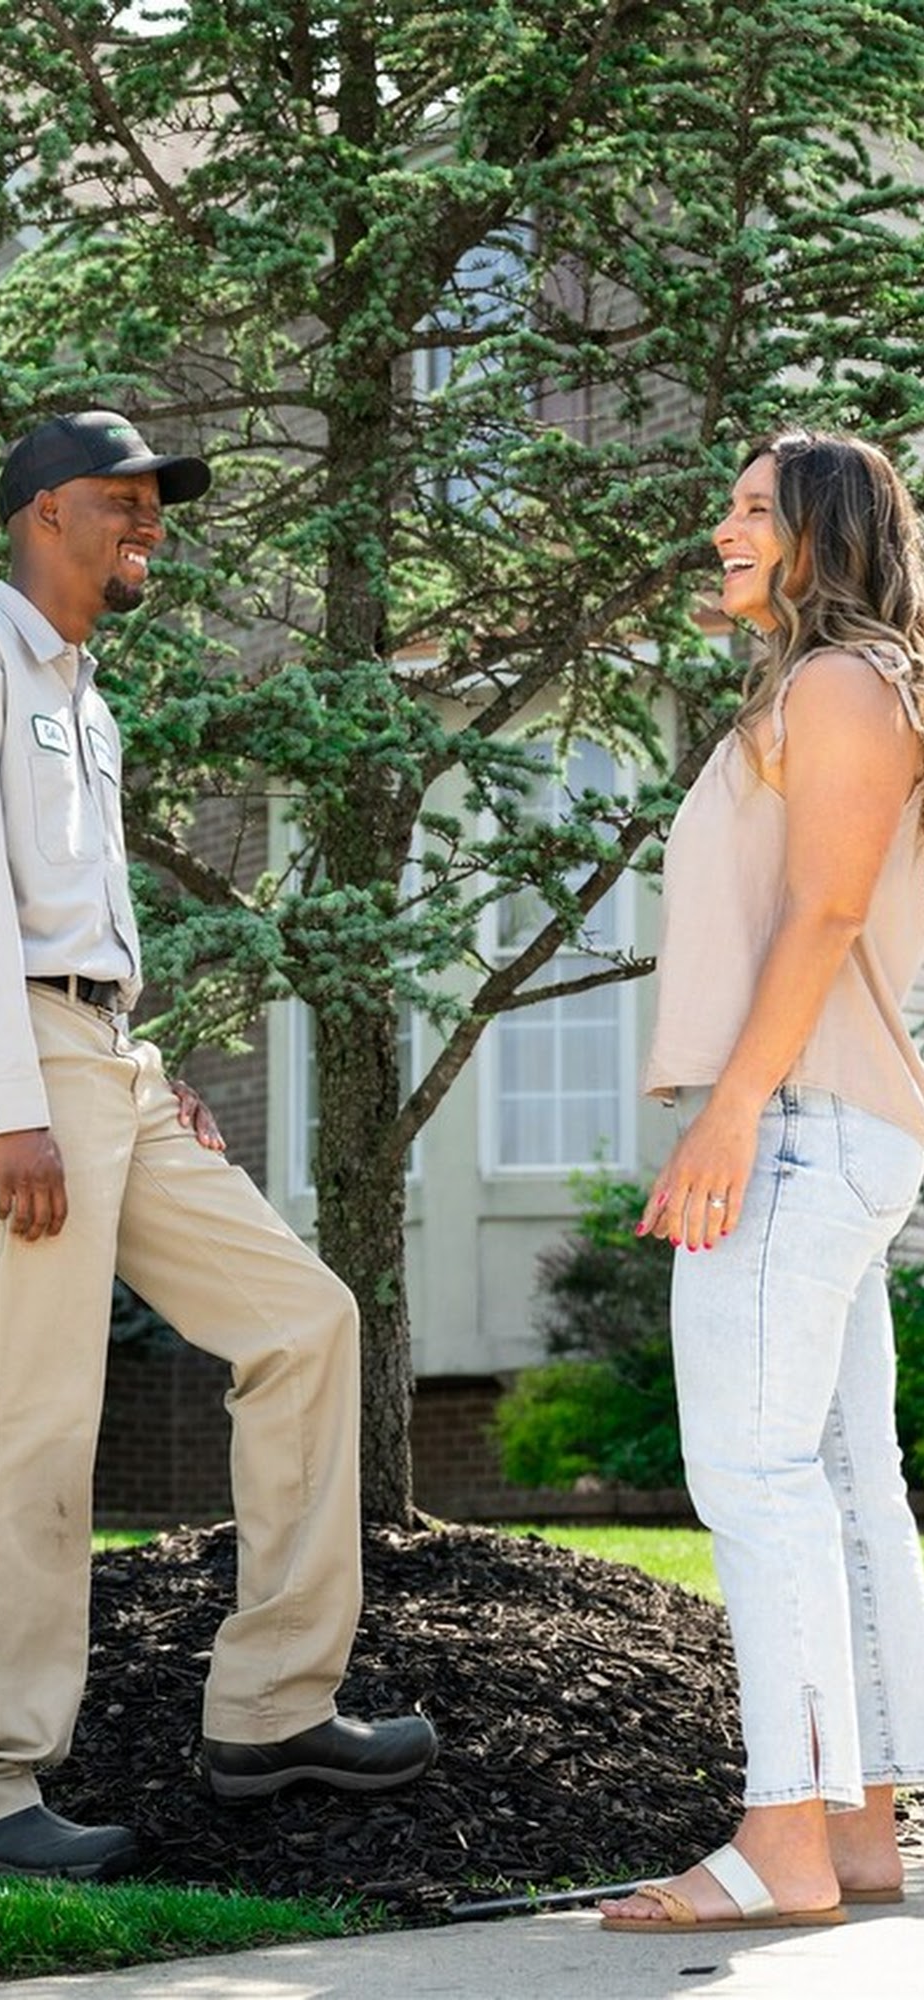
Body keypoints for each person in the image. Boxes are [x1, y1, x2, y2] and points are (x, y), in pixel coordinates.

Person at [0, 410, 438, 1881]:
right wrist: (15, 1107)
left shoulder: (85, 698)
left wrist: (134, 1068)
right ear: (47, 513)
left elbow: (74, 930)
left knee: (305, 1320)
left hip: (98, 1051)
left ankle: (271, 1709)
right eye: (125, 504)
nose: (149, 529)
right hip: (2, 1048)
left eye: (154, 506)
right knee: (34, 1407)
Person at [600, 429, 924, 1934]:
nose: (718, 530)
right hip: (830, 1121)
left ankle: (781, 1836)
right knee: (849, 1478)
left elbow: (828, 907)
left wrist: (730, 1112)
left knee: (754, 1470)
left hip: (798, 1124)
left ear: (823, 533)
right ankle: (861, 1828)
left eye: (749, 511)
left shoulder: (842, 684)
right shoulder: (832, 687)